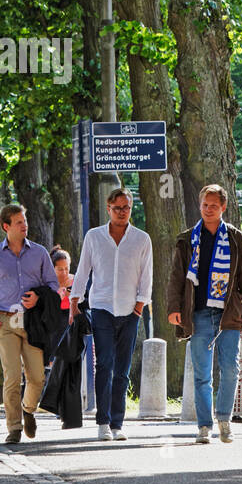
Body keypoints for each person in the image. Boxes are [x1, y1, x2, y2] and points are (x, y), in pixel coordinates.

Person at [166, 184, 242, 445]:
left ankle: (224, 420)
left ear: (223, 207)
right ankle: (204, 426)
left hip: (229, 313)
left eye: (213, 206)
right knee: (202, 373)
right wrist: (173, 308)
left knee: (230, 369)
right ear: (200, 205)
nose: (208, 209)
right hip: (198, 313)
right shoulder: (186, 239)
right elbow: (176, 278)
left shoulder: (236, 238)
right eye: (205, 205)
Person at [70, 187, 153, 442]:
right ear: (108, 209)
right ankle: (103, 422)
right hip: (102, 307)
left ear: (130, 208)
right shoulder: (94, 237)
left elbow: (147, 275)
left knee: (122, 369)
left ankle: (118, 423)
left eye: (126, 208)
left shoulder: (141, 239)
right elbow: (83, 270)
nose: (121, 212)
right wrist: (75, 301)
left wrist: (140, 305)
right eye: (117, 208)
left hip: (130, 310)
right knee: (104, 363)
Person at [0, 203, 60, 444]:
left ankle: (28, 409)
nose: (25, 225)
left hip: (33, 321)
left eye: (25, 221)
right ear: (6, 226)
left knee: (36, 378)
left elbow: (53, 286)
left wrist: (38, 297)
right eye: (19, 222)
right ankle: (13, 427)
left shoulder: (40, 253)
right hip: (5, 320)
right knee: (12, 376)